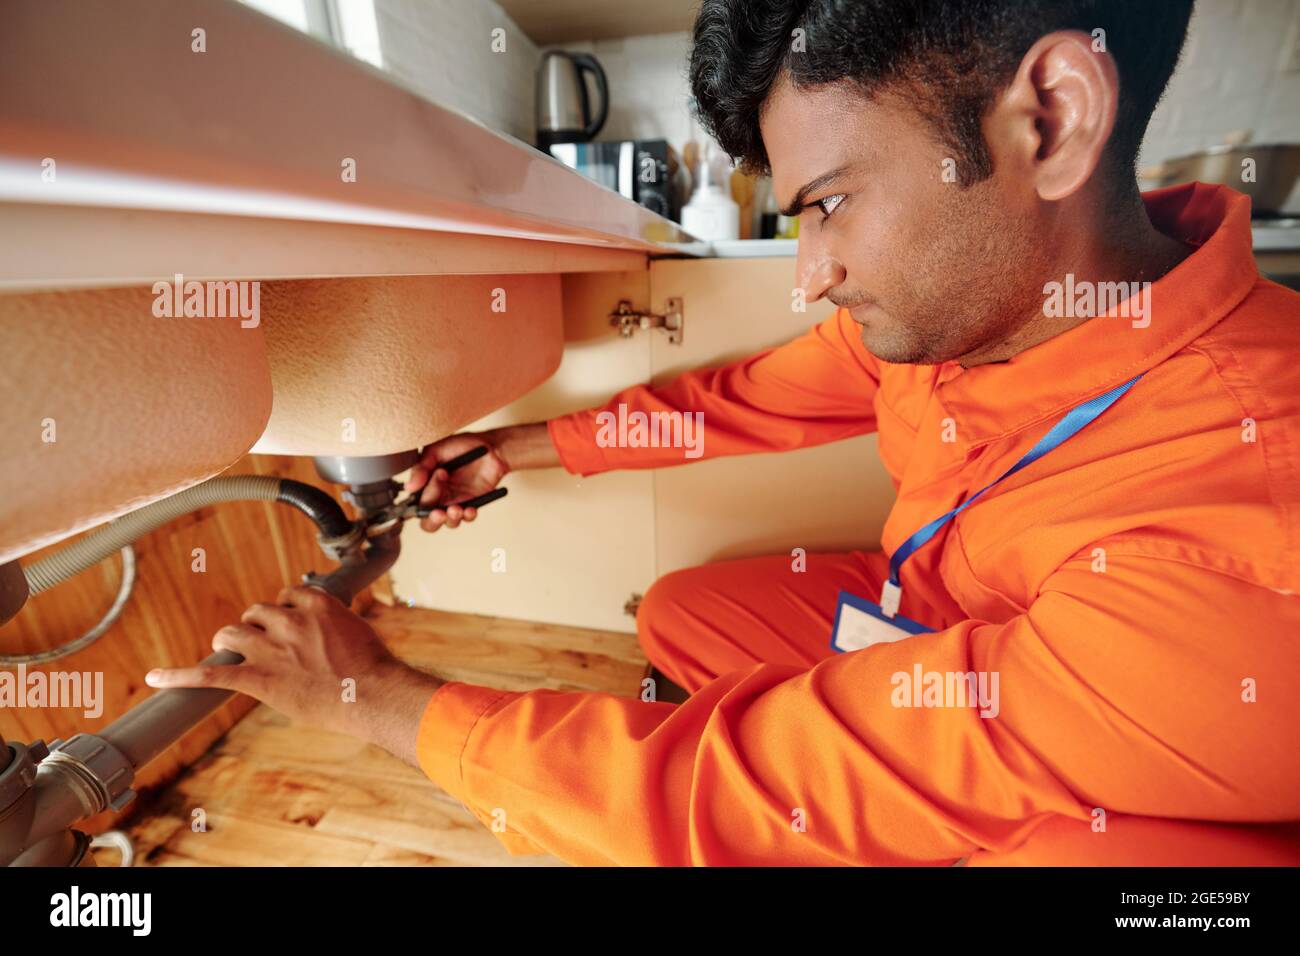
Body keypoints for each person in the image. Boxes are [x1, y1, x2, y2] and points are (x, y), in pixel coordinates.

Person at [148, 0, 1300, 865]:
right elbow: (735, 402)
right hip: (957, 622)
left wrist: (371, 695)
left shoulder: (1240, 548)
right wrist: (512, 451)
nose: (808, 276)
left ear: (1049, 118)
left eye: (830, 203)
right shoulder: (990, 313)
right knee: (684, 615)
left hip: (1108, 744)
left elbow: (744, 780)